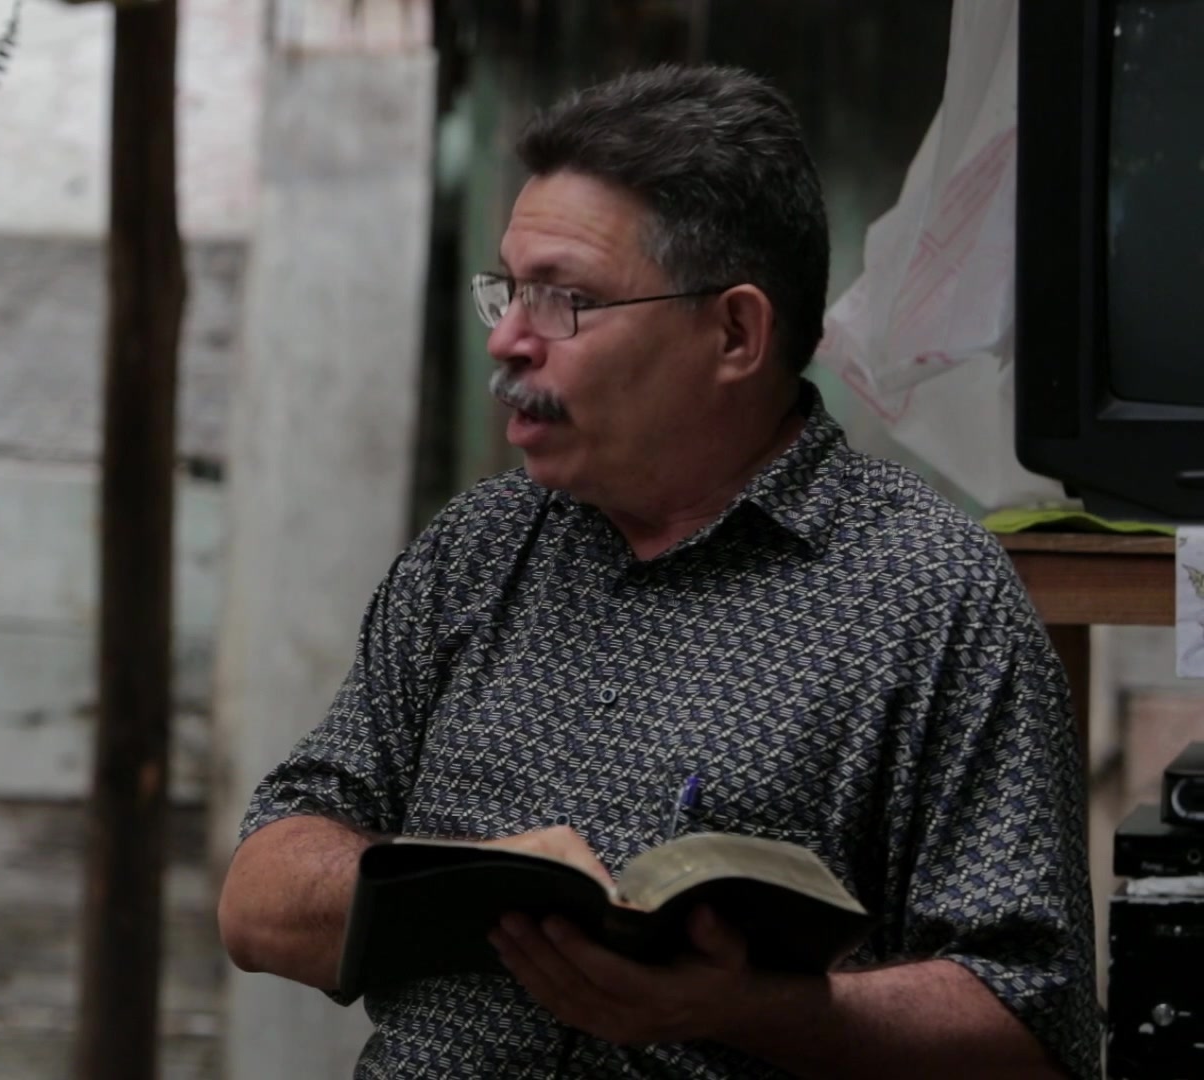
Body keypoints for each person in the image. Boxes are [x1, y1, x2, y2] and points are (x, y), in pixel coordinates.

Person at [216, 64, 1099, 1079]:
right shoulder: (480, 548)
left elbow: (1034, 1030)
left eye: (566, 302)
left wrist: (760, 1010)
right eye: (506, 290)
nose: (508, 339)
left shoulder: (932, 594)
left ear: (734, 333)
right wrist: (468, 883)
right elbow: (259, 899)